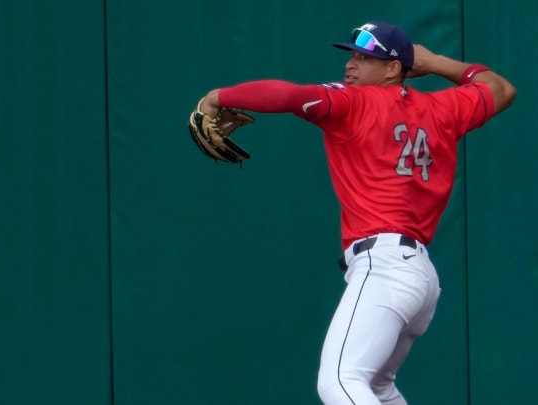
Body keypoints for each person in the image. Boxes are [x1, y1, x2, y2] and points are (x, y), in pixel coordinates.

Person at [195, 20, 515, 405]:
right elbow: (501, 89)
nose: (351, 65)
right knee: (377, 388)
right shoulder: (442, 108)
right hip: (419, 277)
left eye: (365, 57)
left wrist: (218, 96)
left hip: (384, 268)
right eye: (352, 55)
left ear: (393, 68)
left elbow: (289, 96)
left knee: (340, 382)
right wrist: (437, 61)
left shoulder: (353, 102)